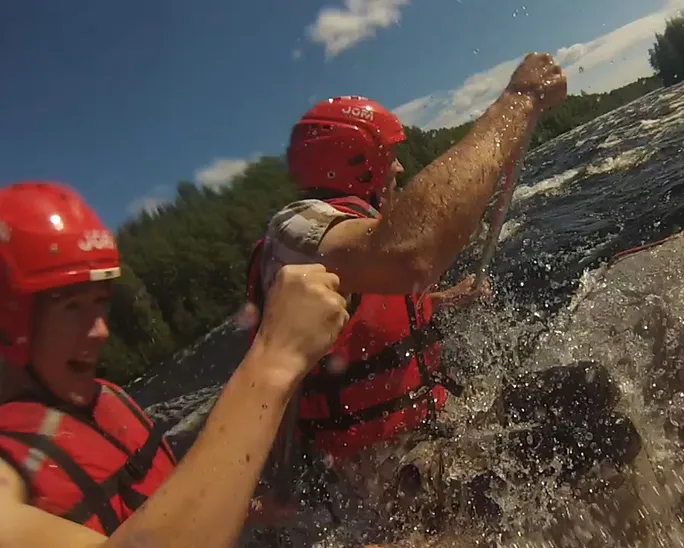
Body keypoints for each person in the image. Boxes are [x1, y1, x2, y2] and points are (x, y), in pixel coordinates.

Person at [244, 52, 642, 542]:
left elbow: (364, 320)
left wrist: (446, 297)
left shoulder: (345, 245)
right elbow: (411, 254)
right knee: (606, 439)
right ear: (356, 163)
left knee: (591, 384)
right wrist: (520, 99)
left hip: (440, 428)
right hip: (392, 481)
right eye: (388, 154)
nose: (398, 166)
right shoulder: (292, 233)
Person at [0, 181, 351, 547]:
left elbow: (160, 501)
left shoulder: (108, 400)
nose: (100, 330)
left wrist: (253, 509)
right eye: (72, 308)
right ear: (11, 322)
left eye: (99, 303)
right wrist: (275, 358)